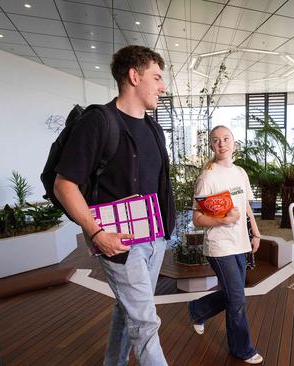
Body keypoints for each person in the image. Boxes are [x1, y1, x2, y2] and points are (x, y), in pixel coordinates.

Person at [53, 45, 175, 366]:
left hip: (155, 238)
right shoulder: (98, 122)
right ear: (134, 76)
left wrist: (165, 233)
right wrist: (96, 234)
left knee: (130, 309)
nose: (163, 86)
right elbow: (64, 186)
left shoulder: (153, 128)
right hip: (118, 244)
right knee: (146, 321)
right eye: (157, 77)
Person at [187, 125, 264, 364]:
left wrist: (256, 232)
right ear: (211, 145)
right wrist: (225, 220)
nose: (221, 143)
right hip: (219, 246)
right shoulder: (208, 176)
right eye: (216, 140)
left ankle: (198, 310)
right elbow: (197, 218)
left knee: (234, 294)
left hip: (240, 243)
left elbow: (246, 205)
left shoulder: (240, 173)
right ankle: (242, 349)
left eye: (226, 139)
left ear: (234, 142)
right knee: (237, 299)